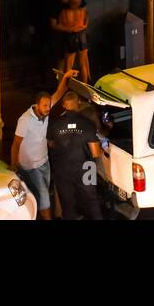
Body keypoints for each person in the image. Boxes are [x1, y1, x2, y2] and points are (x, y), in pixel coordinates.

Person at [10, 70, 76, 220]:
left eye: (49, 105)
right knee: (45, 198)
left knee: (42, 193)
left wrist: (66, 76)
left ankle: (34, 214)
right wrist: (14, 164)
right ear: (37, 105)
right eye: (45, 106)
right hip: (31, 167)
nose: (48, 108)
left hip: (44, 162)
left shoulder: (45, 112)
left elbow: (60, 91)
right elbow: (16, 144)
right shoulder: (25, 120)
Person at [47, 89, 104, 220]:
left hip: (62, 169)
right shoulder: (88, 124)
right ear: (78, 102)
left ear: (63, 105)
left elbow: (50, 144)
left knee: (67, 206)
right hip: (86, 168)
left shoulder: (54, 124)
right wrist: (102, 147)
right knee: (92, 201)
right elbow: (95, 153)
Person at [55, 0, 91, 82]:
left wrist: (70, 28)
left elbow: (60, 24)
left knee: (68, 66)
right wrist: (84, 25)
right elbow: (87, 17)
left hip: (70, 36)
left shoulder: (65, 12)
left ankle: (66, 88)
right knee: (83, 64)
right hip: (82, 35)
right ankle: (85, 87)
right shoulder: (82, 11)